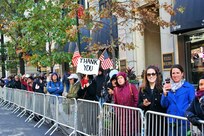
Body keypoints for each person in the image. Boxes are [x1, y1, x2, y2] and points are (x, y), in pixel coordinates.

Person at [161, 64, 195, 136]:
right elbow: (164, 105)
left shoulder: (189, 87)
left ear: (182, 74)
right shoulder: (168, 87)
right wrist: (165, 94)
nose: (175, 75)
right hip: (171, 120)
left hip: (184, 121)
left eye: (177, 73)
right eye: (173, 73)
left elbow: (193, 104)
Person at [138, 65, 166, 135]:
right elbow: (138, 105)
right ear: (146, 76)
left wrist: (165, 95)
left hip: (161, 121)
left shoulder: (162, 88)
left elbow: (166, 104)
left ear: (156, 75)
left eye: (153, 74)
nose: (151, 76)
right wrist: (143, 104)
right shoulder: (142, 89)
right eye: (148, 74)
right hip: (149, 121)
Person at [113, 72, 139, 136]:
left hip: (132, 115)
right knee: (124, 133)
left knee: (133, 132)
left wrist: (133, 110)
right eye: (118, 78)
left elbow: (137, 99)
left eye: (121, 78)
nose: (119, 80)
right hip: (122, 116)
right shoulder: (116, 89)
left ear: (124, 78)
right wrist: (118, 112)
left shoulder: (131, 87)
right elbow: (115, 103)